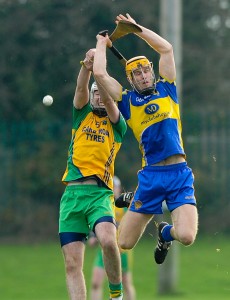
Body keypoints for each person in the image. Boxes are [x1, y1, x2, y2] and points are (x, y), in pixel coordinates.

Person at [93, 13, 198, 265]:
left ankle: (165, 233)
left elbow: (166, 48)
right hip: (151, 176)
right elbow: (99, 74)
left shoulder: (167, 88)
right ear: (130, 79)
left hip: (178, 173)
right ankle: (134, 197)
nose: (142, 76)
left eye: (145, 70)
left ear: (152, 72)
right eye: (136, 73)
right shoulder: (126, 100)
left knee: (186, 236)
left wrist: (135, 29)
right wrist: (100, 44)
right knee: (124, 242)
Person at [58, 48, 127, 300]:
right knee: (72, 265)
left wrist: (98, 65)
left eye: (103, 94)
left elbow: (110, 100)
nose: (99, 97)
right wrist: (86, 66)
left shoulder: (117, 124)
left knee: (108, 241)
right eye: (96, 94)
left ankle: (116, 295)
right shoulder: (81, 115)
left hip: (100, 195)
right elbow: (80, 90)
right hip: (72, 196)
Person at [88, 176, 136, 300]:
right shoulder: (102, 205)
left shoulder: (125, 206)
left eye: (115, 187)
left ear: (119, 189)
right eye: (110, 186)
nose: (112, 189)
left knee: (126, 284)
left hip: (122, 251)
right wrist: (93, 236)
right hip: (104, 250)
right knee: (95, 282)